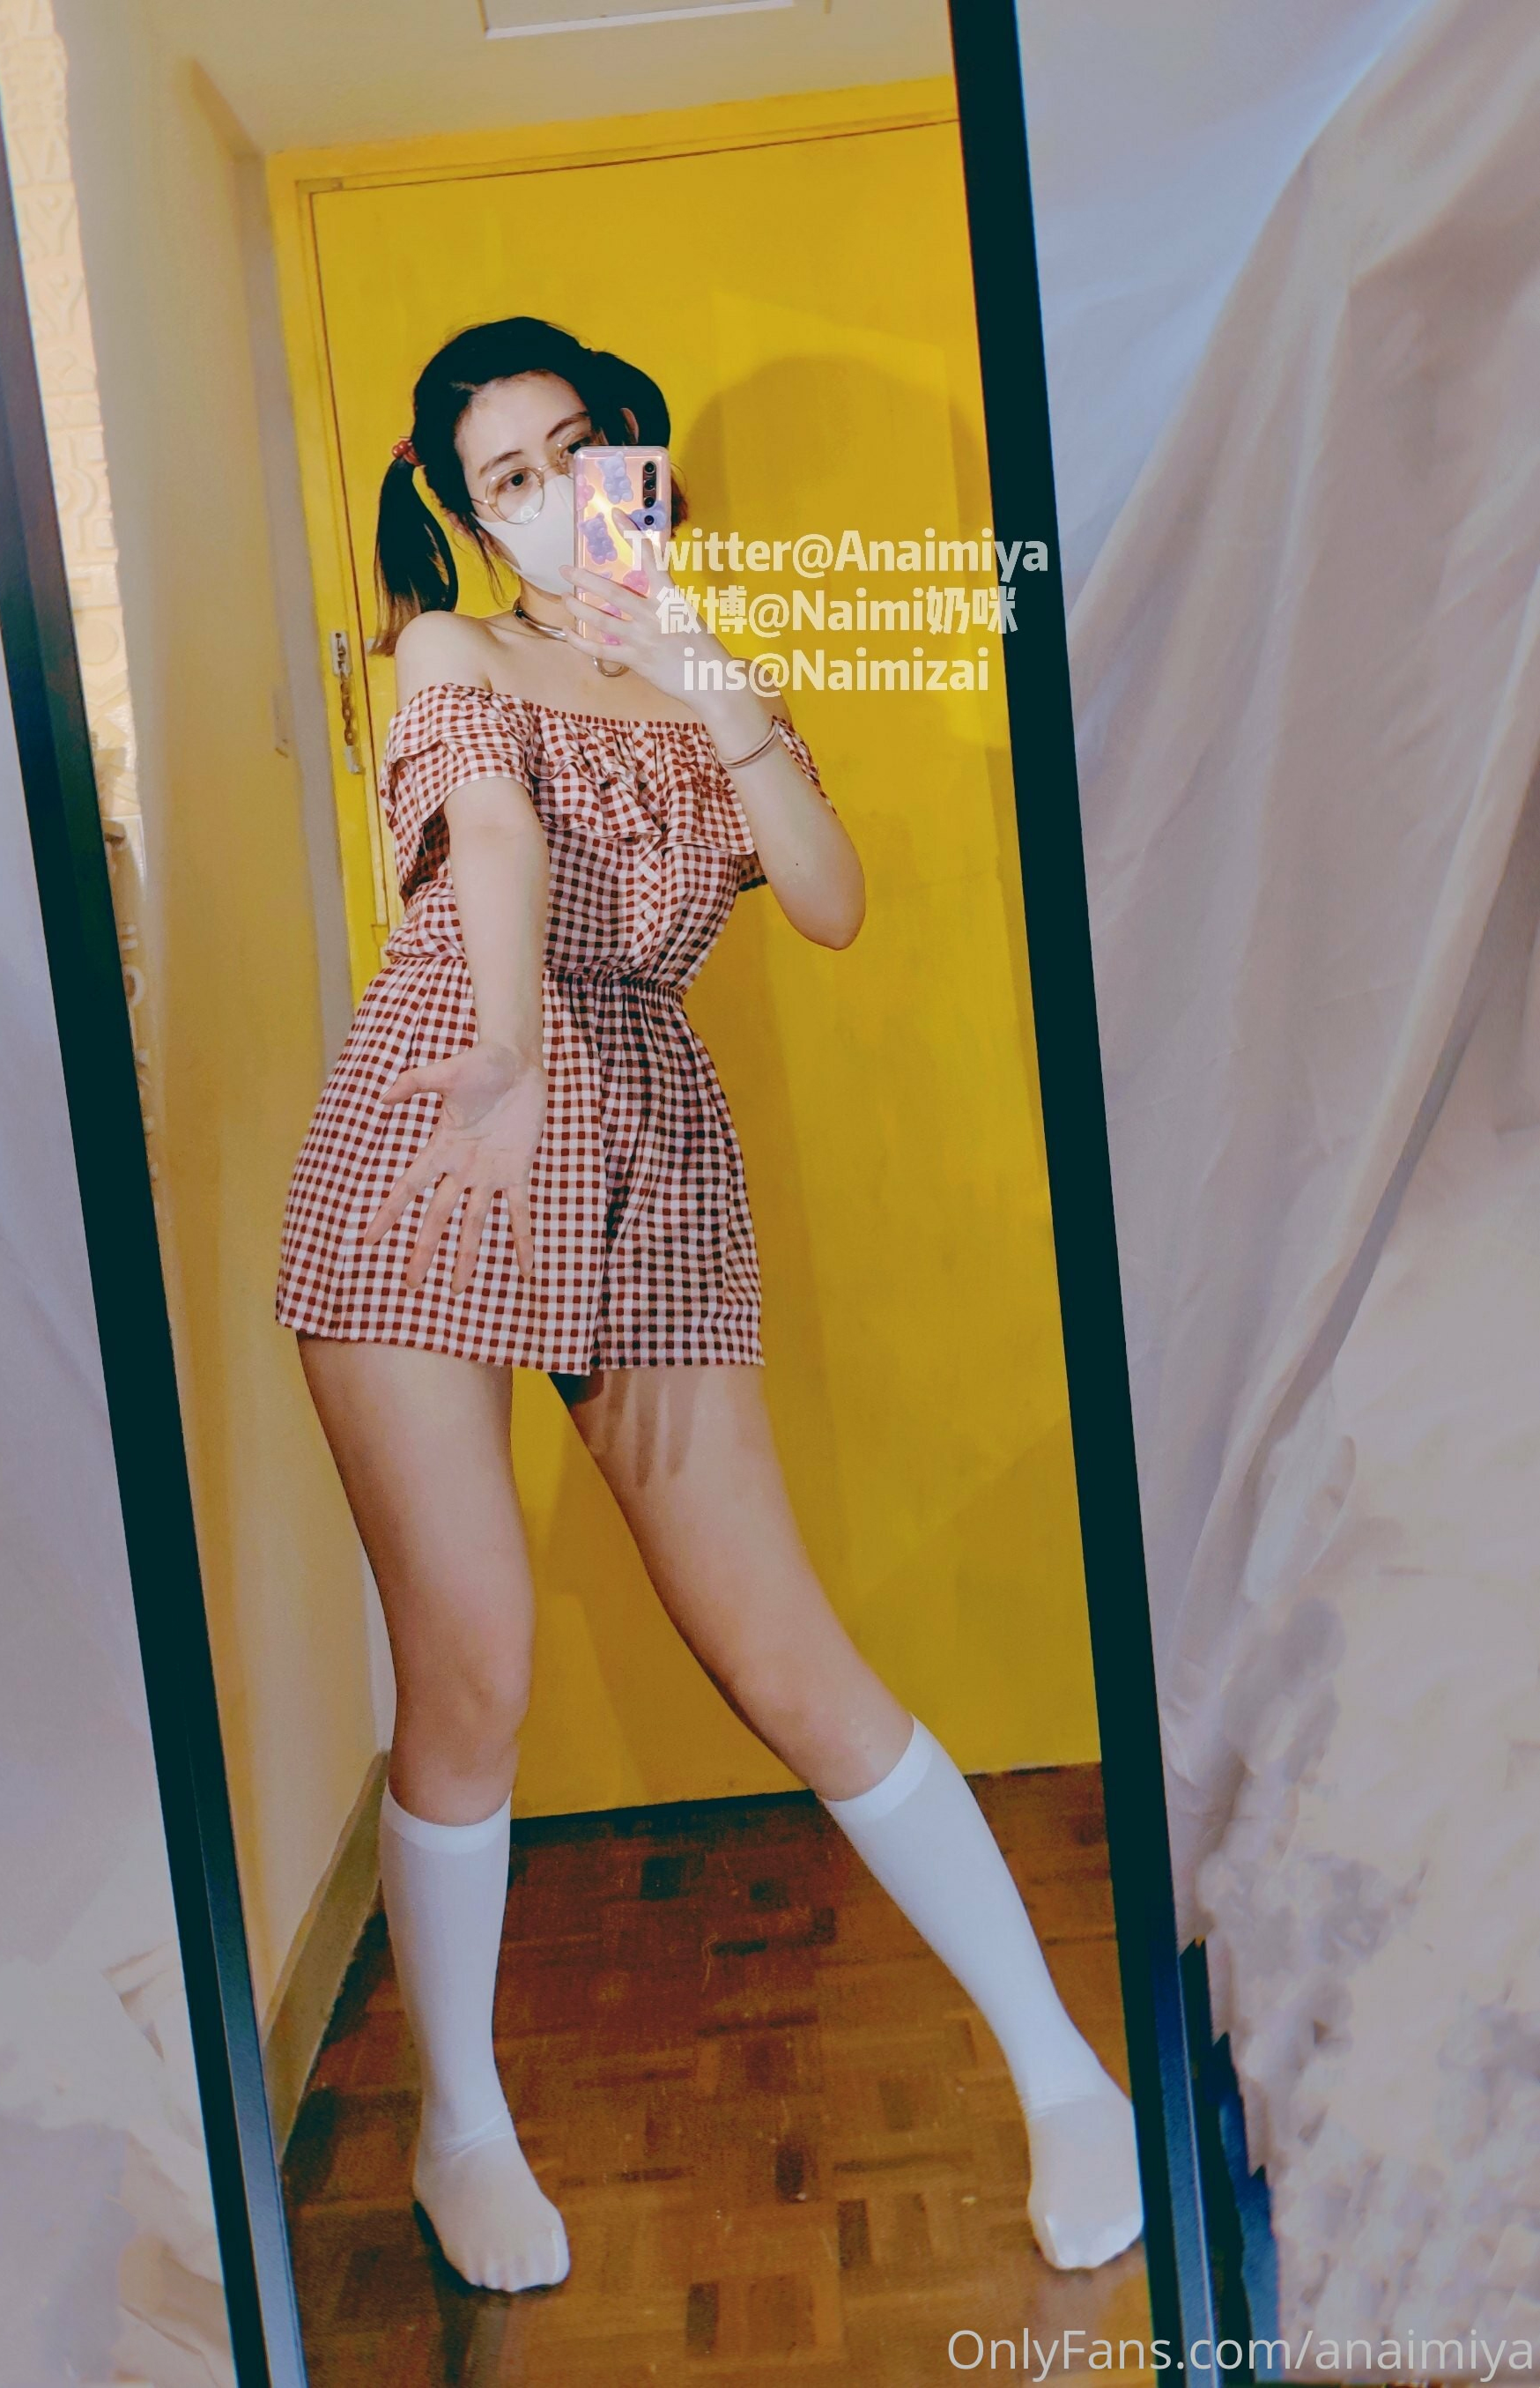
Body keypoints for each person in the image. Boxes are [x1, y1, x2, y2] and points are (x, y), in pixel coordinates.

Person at [275, 316, 1142, 2292]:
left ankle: (1062, 2073)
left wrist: (703, 669)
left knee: (787, 1651)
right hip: (449, 1117)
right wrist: (507, 1049)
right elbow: (497, 838)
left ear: (632, 457)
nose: (544, 494)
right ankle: (461, 2127)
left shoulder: (696, 670)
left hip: (650, 1143)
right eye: (502, 477)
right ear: (465, 517)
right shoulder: (451, 648)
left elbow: (829, 899)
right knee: (475, 1658)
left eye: (570, 449)